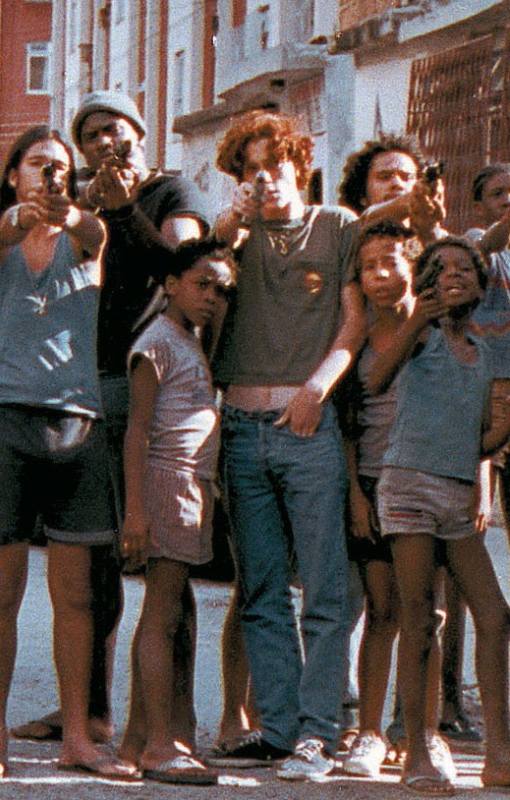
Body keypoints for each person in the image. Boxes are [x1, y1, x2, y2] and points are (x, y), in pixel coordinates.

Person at [11, 91, 210, 746]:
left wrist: (126, 211)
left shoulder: (172, 192)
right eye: (90, 134)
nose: (102, 142)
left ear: (139, 133)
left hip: (151, 389)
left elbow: (182, 270)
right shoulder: (80, 204)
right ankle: (91, 711)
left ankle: (171, 720)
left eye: (113, 129)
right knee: (91, 558)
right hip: (84, 387)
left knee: (164, 560)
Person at [0, 126, 123, 781]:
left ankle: (77, 736)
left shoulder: (84, 238)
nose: (51, 174)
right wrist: (19, 218)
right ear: (13, 174)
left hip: (77, 424)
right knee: (0, 592)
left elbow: (95, 233)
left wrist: (71, 212)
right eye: (37, 164)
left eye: (60, 167)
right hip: (8, 422)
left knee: (75, 596)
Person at [207, 110, 363, 780]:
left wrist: (316, 390)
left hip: (306, 422)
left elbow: (354, 322)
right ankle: (278, 727)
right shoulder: (234, 237)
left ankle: (319, 732)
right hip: (241, 429)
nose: (264, 178)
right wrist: (230, 227)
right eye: (250, 169)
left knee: (326, 587)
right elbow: (202, 268)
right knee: (261, 588)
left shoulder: (336, 226)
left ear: (301, 163)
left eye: (275, 163)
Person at [366, 236, 510, 793]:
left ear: (481, 285)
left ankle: (499, 752)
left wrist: (502, 431)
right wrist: (416, 319)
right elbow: (376, 379)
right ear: (425, 283)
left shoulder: (486, 353)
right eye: (440, 268)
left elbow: (484, 438)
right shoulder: (420, 336)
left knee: (495, 616)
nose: (453, 275)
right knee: (420, 617)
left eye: (464, 269)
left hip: (455, 494)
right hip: (408, 487)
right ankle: (419, 749)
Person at [117, 239, 234, 786]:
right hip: (167, 481)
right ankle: (159, 745)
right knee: (160, 616)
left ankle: (137, 738)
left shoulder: (191, 339)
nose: (211, 297)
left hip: (192, 485)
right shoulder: (157, 342)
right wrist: (136, 510)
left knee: (167, 612)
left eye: (220, 289)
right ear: (170, 284)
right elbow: (137, 430)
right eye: (201, 284)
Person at [337, 221, 450, 777]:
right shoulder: (354, 337)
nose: (380, 276)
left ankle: (423, 732)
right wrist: (357, 495)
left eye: (390, 262)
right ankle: (370, 732)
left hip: (429, 489)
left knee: (427, 614)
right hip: (374, 486)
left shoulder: (438, 333)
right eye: (368, 267)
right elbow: (349, 424)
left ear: (414, 264)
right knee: (381, 612)